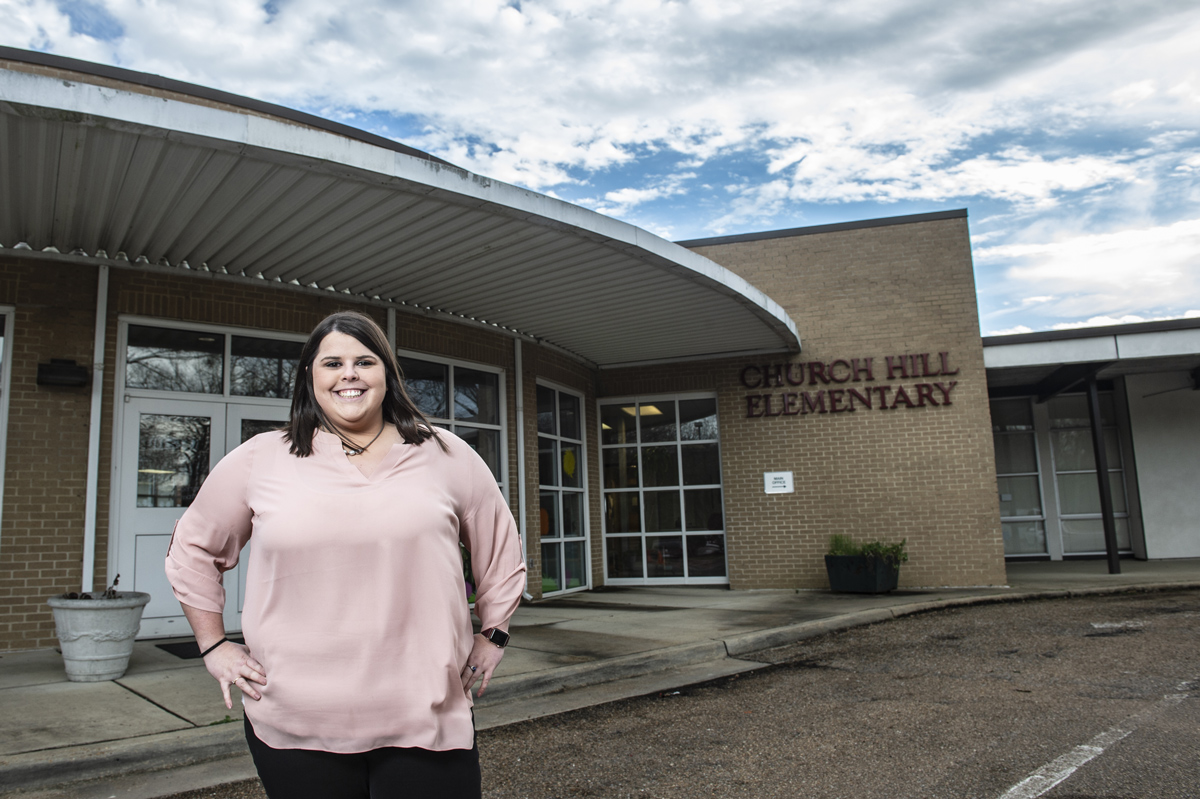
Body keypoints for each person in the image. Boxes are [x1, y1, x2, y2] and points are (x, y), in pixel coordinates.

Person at [165, 310, 526, 799]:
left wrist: (494, 634)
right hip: (298, 716)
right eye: (332, 362)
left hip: (426, 709)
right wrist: (214, 646)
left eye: (365, 361)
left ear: (387, 374)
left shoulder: (448, 455)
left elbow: (501, 550)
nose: (349, 374)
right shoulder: (261, 458)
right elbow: (192, 548)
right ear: (310, 377)